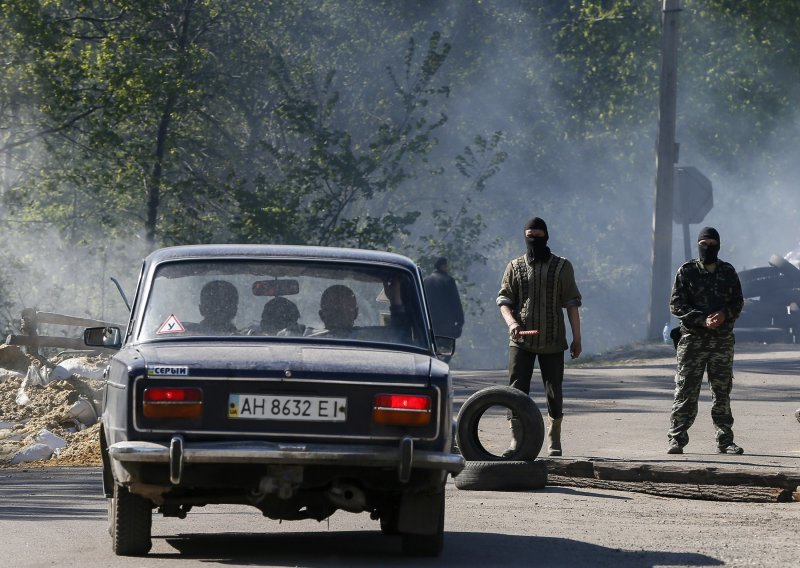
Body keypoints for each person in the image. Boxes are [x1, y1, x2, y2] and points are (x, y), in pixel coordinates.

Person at [496, 217, 582, 457]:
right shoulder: (514, 266)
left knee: (554, 389)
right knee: (515, 389)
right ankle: (517, 437)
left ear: (546, 236)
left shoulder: (563, 266)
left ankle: (554, 436)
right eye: (530, 236)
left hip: (553, 338)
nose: (534, 240)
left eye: (538, 236)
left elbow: (572, 304)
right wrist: (512, 322)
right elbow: (504, 301)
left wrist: (577, 338)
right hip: (521, 339)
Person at [667, 226, 744, 455]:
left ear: (718, 245)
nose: (708, 248)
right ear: (698, 244)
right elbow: (676, 305)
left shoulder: (728, 271)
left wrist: (724, 315)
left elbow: (737, 302)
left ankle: (725, 440)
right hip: (693, 341)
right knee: (685, 390)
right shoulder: (687, 271)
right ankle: (676, 439)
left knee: (721, 391)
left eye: (712, 244)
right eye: (704, 244)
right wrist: (702, 320)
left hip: (721, 341)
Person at [423, 257, 465, 363]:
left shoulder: (426, 281)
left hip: (429, 322)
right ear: (442, 266)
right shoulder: (449, 280)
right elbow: (455, 302)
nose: (448, 268)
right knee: (446, 351)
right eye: (447, 265)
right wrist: (460, 321)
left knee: (431, 349)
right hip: (446, 323)